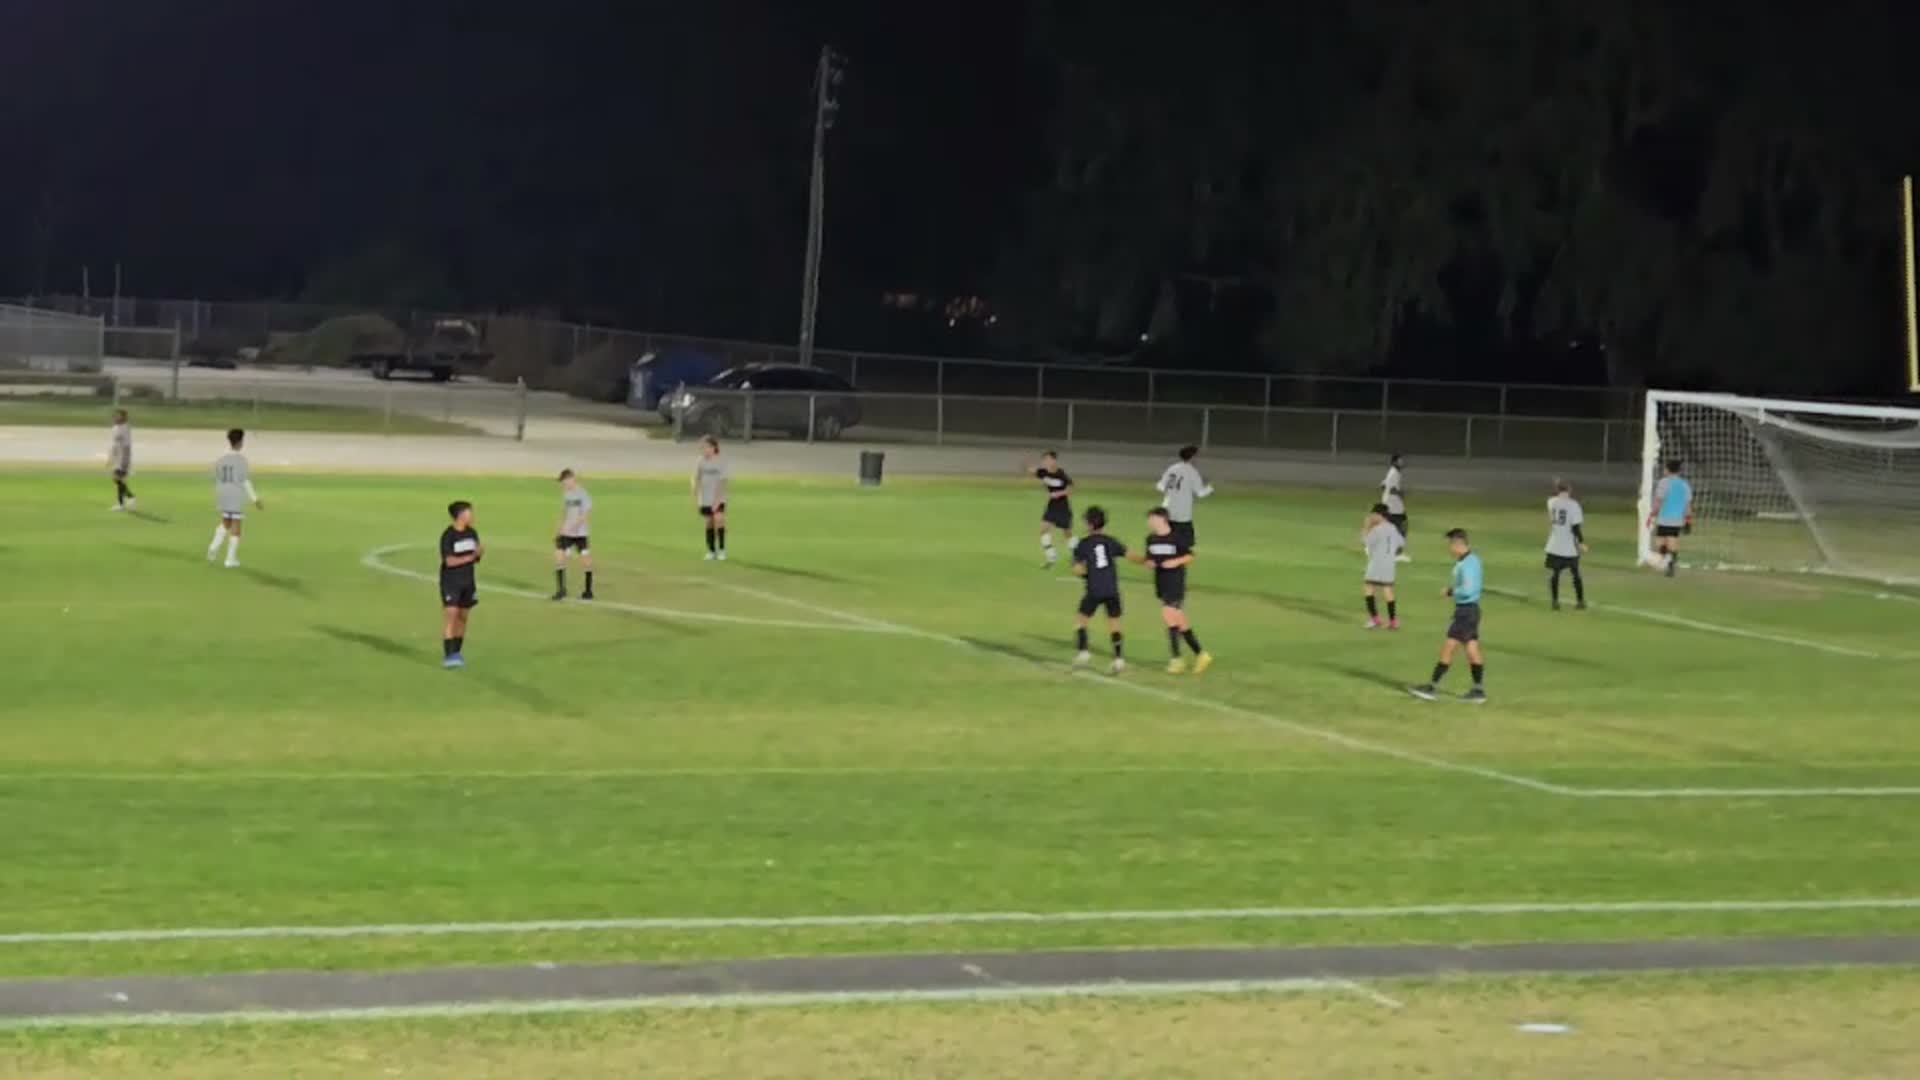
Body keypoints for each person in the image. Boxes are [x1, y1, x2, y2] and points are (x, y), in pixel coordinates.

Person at [1408, 528, 1487, 704]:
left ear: (1458, 544)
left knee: (1449, 647)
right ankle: (1478, 690)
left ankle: (1431, 687)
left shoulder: (1468, 564)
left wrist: (1451, 591)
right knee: (1472, 648)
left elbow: (1468, 589)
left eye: (1450, 545)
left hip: (1466, 611)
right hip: (1471, 611)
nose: (1449, 549)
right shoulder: (1472, 560)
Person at [1131, 507, 1212, 674]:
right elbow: (1150, 559)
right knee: (1180, 622)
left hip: (1175, 583)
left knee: (1168, 615)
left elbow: (1190, 556)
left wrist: (1175, 562)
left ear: (1162, 519)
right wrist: (1149, 563)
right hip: (1161, 583)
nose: (1149, 522)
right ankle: (1201, 655)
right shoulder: (1151, 539)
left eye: (1152, 519)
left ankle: (1176, 659)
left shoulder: (1176, 537)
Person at [1071, 506, 1128, 674]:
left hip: (1094, 589)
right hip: (1112, 589)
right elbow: (1129, 554)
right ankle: (1118, 659)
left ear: (1089, 524)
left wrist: (1086, 574)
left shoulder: (1083, 544)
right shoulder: (1111, 541)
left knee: (1081, 620)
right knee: (1114, 624)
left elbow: (1077, 569)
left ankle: (1083, 651)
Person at [206, 428, 263, 568]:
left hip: (223, 494)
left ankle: (213, 547)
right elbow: (245, 481)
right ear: (239, 442)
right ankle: (230, 559)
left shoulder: (221, 458)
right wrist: (255, 499)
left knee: (226, 522)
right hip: (236, 495)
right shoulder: (241, 460)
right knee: (236, 526)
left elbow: (214, 477)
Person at [439, 500, 484, 669]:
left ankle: (456, 653)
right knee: (451, 616)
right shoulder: (448, 536)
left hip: (468, 581)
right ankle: (448, 656)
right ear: (460, 515)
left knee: (463, 617)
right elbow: (449, 561)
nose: (472, 515)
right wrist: (471, 557)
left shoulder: (472, 533)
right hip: (451, 582)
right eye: (469, 512)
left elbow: (475, 559)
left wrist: (479, 554)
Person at [1155, 444, 1213, 548]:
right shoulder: (1192, 472)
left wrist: (1172, 492)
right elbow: (1200, 493)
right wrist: (1210, 488)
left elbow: (1160, 486)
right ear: (1192, 457)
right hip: (1183, 514)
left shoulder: (1172, 468)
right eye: (1197, 456)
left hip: (1168, 510)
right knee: (1185, 544)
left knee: (1167, 541)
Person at [552, 468, 595, 601]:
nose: (563, 484)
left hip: (580, 534)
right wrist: (559, 528)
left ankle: (588, 591)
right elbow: (564, 512)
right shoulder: (566, 494)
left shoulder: (583, 494)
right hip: (566, 533)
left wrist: (573, 527)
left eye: (564, 481)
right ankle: (561, 590)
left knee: (585, 560)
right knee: (559, 556)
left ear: (571, 479)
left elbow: (586, 514)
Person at [1545, 480, 1588, 610]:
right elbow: (1576, 527)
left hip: (1554, 544)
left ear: (1558, 490)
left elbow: (1554, 499)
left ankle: (1555, 602)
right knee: (1575, 574)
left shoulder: (1551, 502)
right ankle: (1580, 601)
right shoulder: (1574, 505)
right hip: (1569, 546)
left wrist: (1557, 487)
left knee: (1555, 574)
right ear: (1569, 490)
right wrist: (1581, 542)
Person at [1361, 503, 1404, 629]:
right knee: (1388, 590)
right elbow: (1401, 543)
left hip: (1377, 563)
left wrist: (1366, 527)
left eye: (1373, 515)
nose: (1372, 517)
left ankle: (1375, 620)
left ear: (1380, 515)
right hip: (1389, 564)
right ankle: (1393, 621)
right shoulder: (1393, 528)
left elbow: (1366, 541)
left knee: (1369, 588)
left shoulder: (1377, 529)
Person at [1029, 451, 1075, 568]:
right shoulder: (1043, 472)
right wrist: (1029, 468)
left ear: (1054, 460)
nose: (1046, 462)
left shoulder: (1061, 474)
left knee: (1067, 533)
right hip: (1052, 505)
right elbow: (1034, 471)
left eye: (1048, 459)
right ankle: (1051, 557)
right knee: (1043, 530)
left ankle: (1077, 556)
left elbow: (1070, 489)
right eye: (1045, 460)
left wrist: (1058, 494)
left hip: (1063, 506)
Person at [1648, 458, 1693, 578]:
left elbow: (1659, 501)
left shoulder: (1664, 483)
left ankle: (1666, 562)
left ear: (1667, 470)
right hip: (1677, 520)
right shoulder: (1685, 485)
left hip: (1664, 518)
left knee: (1660, 542)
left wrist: (1653, 514)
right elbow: (1687, 505)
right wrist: (1688, 520)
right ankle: (1671, 564)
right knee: (1672, 541)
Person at [694, 435, 730, 561]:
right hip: (705, 497)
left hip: (718, 497)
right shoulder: (700, 461)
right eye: (703, 447)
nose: (705, 450)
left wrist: (717, 500)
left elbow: (723, 482)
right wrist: (697, 498)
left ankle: (722, 549)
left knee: (719, 519)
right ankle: (711, 550)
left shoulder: (720, 461)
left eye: (707, 447)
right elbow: (697, 479)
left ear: (714, 447)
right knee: (709, 522)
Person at [1381, 453, 1411, 561]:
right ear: (1394, 462)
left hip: (1389, 504)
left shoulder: (1392, 472)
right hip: (1394, 506)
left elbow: (1383, 485)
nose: (1402, 462)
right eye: (1400, 461)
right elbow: (1392, 489)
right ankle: (1397, 554)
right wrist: (1400, 493)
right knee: (1403, 527)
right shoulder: (1394, 473)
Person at [107, 409, 136, 511]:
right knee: (117, 479)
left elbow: (126, 446)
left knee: (118, 478)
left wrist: (125, 461)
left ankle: (121, 504)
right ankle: (130, 497)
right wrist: (111, 457)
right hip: (117, 458)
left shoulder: (125, 429)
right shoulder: (115, 428)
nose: (116, 417)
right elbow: (114, 444)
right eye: (116, 416)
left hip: (123, 458)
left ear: (124, 418)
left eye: (118, 416)